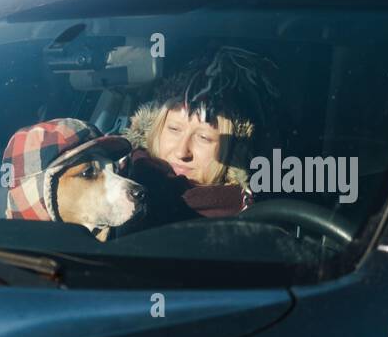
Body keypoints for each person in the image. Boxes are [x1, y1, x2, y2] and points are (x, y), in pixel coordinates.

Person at [119, 46, 278, 228]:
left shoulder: (250, 224)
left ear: (233, 152)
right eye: (174, 129)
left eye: (204, 137)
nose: (181, 151)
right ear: (154, 130)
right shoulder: (110, 182)